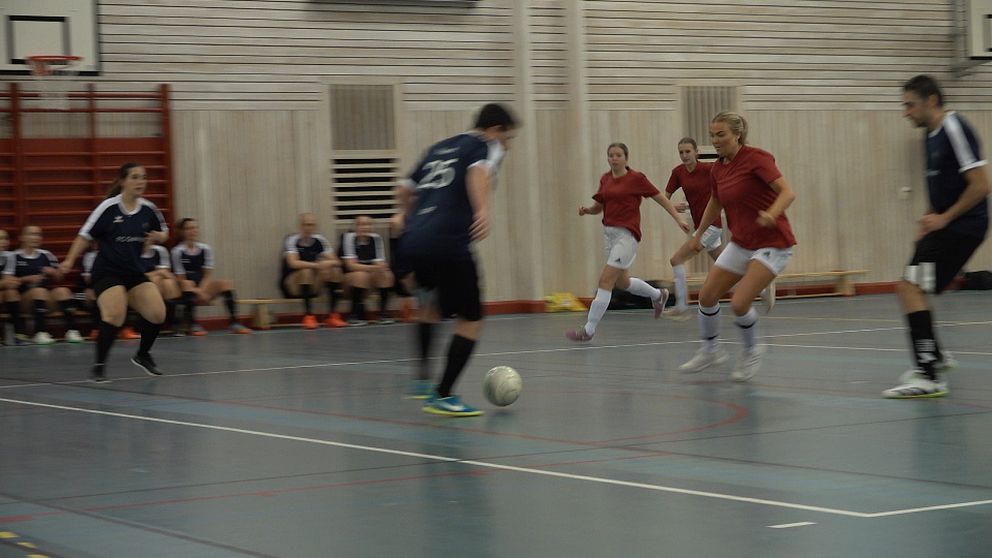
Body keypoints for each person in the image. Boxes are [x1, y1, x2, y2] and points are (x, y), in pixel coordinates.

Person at [395, 102, 517, 416]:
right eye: (508, 139)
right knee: (471, 317)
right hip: (447, 240)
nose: (506, 146)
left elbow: (405, 189)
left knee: (430, 307)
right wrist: (482, 210)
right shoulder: (485, 145)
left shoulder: (440, 147)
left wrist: (409, 219)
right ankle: (443, 394)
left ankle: (421, 382)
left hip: (415, 239)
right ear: (496, 129)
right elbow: (477, 172)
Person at [883, 75, 990, 398]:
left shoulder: (954, 127)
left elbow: (981, 185)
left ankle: (929, 374)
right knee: (910, 286)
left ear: (931, 101)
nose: (906, 113)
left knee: (910, 287)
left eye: (910, 105)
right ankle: (935, 359)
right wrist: (928, 220)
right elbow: (941, 186)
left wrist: (944, 218)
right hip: (946, 225)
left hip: (964, 226)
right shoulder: (930, 134)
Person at [678, 112, 797, 381]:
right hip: (742, 242)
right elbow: (715, 203)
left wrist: (772, 213)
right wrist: (698, 235)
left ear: (737, 135)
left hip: (773, 243)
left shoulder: (757, 158)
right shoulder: (718, 168)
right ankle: (711, 350)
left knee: (740, 302)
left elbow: (788, 191)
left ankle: (753, 349)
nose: (715, 140)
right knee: (707, 296)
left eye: (721, 135)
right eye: (712, 135)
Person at [565, 143, 689, 342]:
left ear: (626, 158)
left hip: (627, 236)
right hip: (609, 235)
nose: (614, 158)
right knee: (622, 282)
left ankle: (588, 330)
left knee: (605, 281)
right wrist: (588, 210)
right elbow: (599, 206)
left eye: (618, 155)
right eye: (611, 155)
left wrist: (678, 219)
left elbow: (662, 200)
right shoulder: (605, 179)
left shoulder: (636, 179)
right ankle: (659, 295)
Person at [60, 162, 169, 382]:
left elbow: (164, 233)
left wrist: (159, 237)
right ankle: (99, 366)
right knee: (114, 315)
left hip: (134, 273)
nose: (141, 182)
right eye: (135, 177)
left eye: (144, 178)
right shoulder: (108, 208)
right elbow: (84, 236)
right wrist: (69, 260)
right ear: (123, 181)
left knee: (158, 313)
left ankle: (143, 355)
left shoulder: (148, 209)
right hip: (107, 272)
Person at [3, 225, 82, 344]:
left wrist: (54, 272)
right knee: (39, 291)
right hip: (24, 300)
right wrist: (26, 279)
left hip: (44, 299)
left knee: (63, 291)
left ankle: (72, 330)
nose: (36, 237)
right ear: (22, 237)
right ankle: (40, 332)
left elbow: (59, 278)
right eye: (32, 234)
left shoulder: (47, 255)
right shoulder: (13, 256)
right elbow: (7, 282)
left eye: (38, 235)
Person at [171, 218, 251, 335]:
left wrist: (203, 290)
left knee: (226, 283)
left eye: (195, 228)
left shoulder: (205, 249)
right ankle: (192, 324)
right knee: (187, 284)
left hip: (202, 284)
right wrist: (197, 292)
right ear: (183, 231)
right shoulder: (177, 251)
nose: (193, 231)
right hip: (186, 287)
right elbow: (180, 277)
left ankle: (234, 323)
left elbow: (208, 275)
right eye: (189, 228)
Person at [281, 213, 346, 329]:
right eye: (306, 225)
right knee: (306, 271)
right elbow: (293, 263)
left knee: (335, 271)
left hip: (313, 282)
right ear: (300, 226)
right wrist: (316, 265)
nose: (309, 228)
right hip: (293, 282)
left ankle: (333, 315)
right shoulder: (292, 240)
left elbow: (337, 261)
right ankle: (308, 316)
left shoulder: (320, 240)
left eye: (312, 225)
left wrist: (327, 263)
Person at [341, 215, 395, 326]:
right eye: (361, 224)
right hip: (349, 280)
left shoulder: (376, 238)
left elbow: (379, 263)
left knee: (387, 274)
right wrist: (373, 268)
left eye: (368, 224)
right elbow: (351, 266)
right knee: (361, 275)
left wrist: (380, 268)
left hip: (369, 278)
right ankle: (354, 314)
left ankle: (383, 313)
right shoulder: (348, 238)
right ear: (355, 227)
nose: (365, 227)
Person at [139, 237, 184, 335]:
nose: (145, 240)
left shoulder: (160, 251)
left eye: (148, 237)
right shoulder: (131, 252)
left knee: (169, 283)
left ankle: (172, 323)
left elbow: (166, 273)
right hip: (137, 284)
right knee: (155, 280)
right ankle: (153, 322)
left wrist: (158, 274)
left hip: (157, 283)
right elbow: (134, 274)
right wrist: (157, 272)